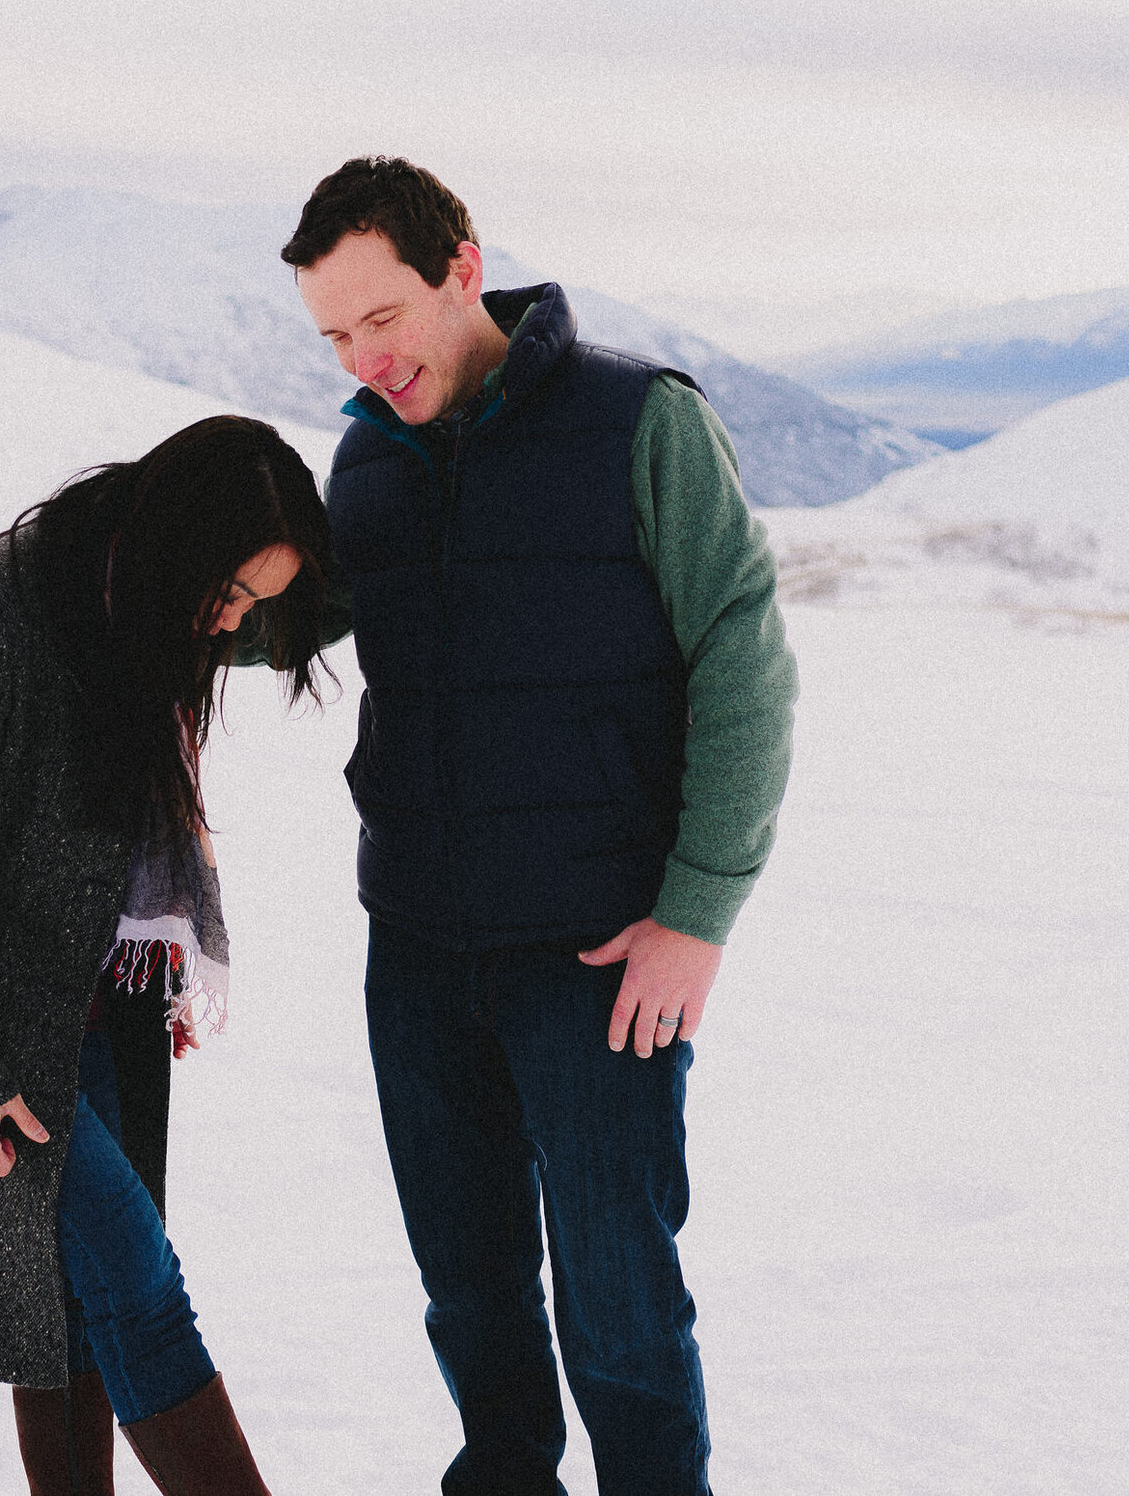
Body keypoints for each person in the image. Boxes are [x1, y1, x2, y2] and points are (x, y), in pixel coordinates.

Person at [285, 158, 797, 1496]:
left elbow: (743, 656)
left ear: (461, 264)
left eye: (379, 318)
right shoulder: (369, 457)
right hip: (417, 945)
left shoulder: (637, 422)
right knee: (470, 1295)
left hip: (599, 954)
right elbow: (295, 625)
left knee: (620, 1305)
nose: (361, 358)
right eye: (333, 335)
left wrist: (698, 912)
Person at [0, 415, 337, 1496]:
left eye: (253, 604)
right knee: (135, 1283)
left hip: (105, 1007)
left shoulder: (146, 609)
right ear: (177, 546)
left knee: (74, 1298)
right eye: (230, 594)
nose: (235, 628)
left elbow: (308, 616)